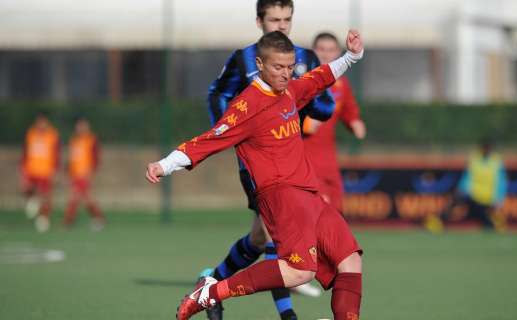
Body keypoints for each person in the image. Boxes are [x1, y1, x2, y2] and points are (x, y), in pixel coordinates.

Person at [146, 30, 364, 320]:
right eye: (278, 67)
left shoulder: (289, 91)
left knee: (349, 260)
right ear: (260, 64)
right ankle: (210, 294)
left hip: (309, 195)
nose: (286, 73)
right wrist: (165, 164)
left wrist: (351, 56)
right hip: (281, 195)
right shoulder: (246, 106)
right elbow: (210, 139)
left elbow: (319, 78)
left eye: (290, 67)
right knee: (299, 272)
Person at [202, 1, 335, 319]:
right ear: (259, 21)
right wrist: (233, 130)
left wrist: (307, 105)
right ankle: (287, 315)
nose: (281, 25)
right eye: (274, 19)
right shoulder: (244, 58)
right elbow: (217, 94)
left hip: (291, 160)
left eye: (286, 19)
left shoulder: (306, 59)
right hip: (258, 163)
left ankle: (209, 286)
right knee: (277, 233)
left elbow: (326, 106)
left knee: (260, 237)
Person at [303, 32, 367, 212]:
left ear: (338, 53)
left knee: (336, 213)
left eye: (330, 50)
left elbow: (348, 108)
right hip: (305, 162)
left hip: (329, 163)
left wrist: (354, 122)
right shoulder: (303, 81)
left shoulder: (341, 83)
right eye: (321, 49)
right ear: (312, 51)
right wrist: (304, 123)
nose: (325, 54)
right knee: (320, 213)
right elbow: (285, 113)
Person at [425, 138, 508, 232]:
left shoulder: (496, 161)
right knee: (456, 199)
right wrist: (461, 189)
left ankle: (493, 225)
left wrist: (499, 200)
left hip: (487, 199)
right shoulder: (475, 158)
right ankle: (438, 221)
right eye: (484, 147)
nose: (486, 150)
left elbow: (501, 182)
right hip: (473, 196)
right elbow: (467, 177)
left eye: (488, 148)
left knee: (487, 223)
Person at [63, 117, 105, 231]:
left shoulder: (91, 139)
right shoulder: (74, 141)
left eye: (83, 126)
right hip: (75, 175)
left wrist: (92, 172)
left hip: (85, 174)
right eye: (79, 126)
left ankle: (68, 222)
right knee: (81, 198)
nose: (80, 128)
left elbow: (96, 158)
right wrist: (68, 172)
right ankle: (98, 219)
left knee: (82, 198)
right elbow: (72, 159)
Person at [21, 113, 60, 233]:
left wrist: (55, 168)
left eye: (43, 122)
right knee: (27, 190)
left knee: (46, 196)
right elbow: (26, 151)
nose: (41, 124)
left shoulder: (52, 135)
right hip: (31, 169)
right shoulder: (31, 133)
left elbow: (56, 153)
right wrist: (23, 166)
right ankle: (32, 202)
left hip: (45, 171)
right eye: (39, 122)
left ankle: (43, 218)